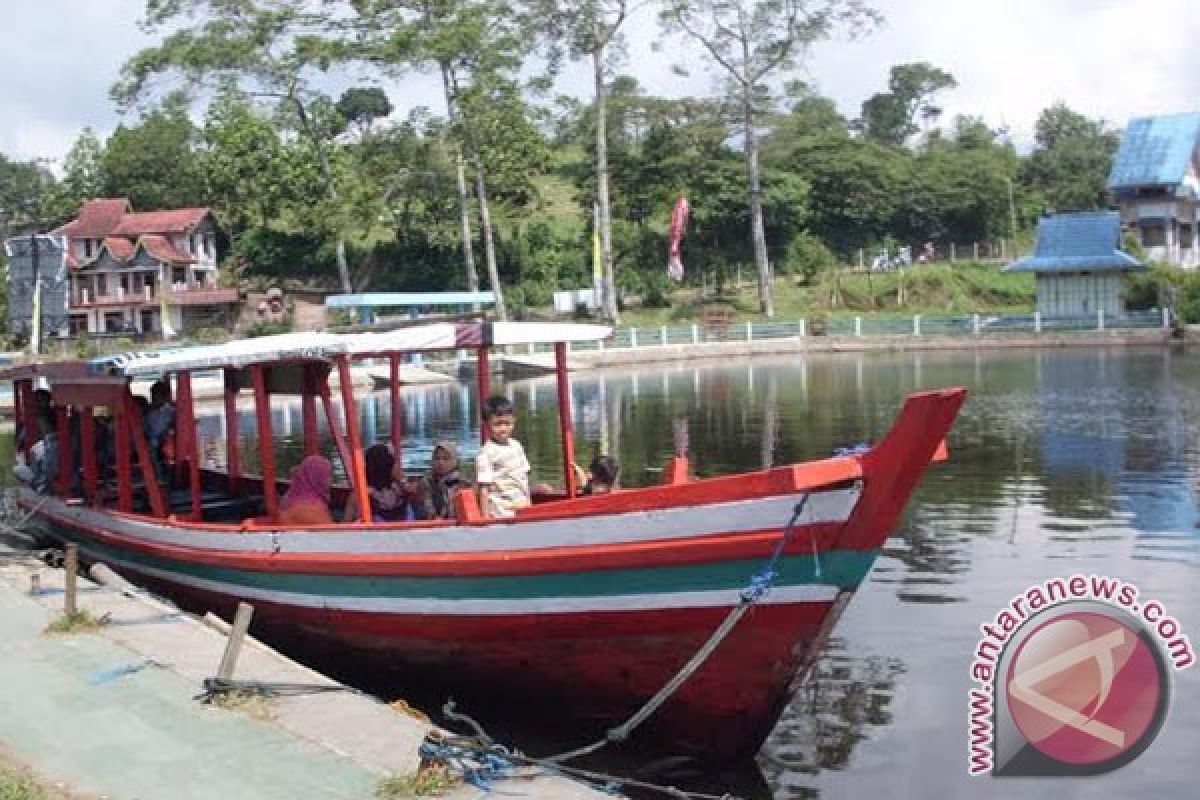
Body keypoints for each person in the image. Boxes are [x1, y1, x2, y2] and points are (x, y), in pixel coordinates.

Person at [475, 396, 531, 518]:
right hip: (501, 513)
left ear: (514, 421)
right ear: (486, 424)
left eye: (507, 423)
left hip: (523, 507)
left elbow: (523, 478)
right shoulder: (486, 453)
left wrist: (531, 499)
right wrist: (485, 520)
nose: (503, 429)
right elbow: (484, 489)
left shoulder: (517, 445)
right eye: (497, 424)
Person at [345, 443, 430, 522]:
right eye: (394, 462)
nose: (398, 466)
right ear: (387, 466)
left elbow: (423, 497)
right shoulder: (360, 495)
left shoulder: (402, 489)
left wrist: (402, 482)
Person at [279, 455, 334, 525]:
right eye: (328, 475)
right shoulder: (313, 510)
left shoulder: (288, 500)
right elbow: (332, 534)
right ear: (317, 478)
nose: (331, 480)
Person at [429, 440, 465, 519]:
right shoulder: (427, 484)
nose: (440, 462)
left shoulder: (464, 484)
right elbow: (429, 513)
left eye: (446, 459)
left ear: (455, 461)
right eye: (437, 458)